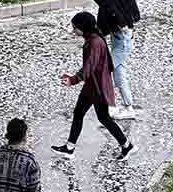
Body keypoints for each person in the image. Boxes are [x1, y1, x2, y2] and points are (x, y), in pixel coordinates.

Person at [52, 12, 136, 161]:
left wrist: (73, 80)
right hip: (92, 86)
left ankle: (127, 145)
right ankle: (70, 147)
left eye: (75, 27)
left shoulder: (94, 42)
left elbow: (89, 67)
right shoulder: (93, 39)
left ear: (83, 27)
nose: (73, 30)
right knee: (79, 113)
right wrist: (75, 78)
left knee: (104, 118)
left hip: (97, 88)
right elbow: (93, 66)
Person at [79, 0, 141, 120]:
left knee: (105, 69)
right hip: (119, 40)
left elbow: (106, 4)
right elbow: (102, 0)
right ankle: (126, 107)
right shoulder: (113, 3)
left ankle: (115, 106)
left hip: (122, 41)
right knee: (119, 73)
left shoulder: (114, 9)